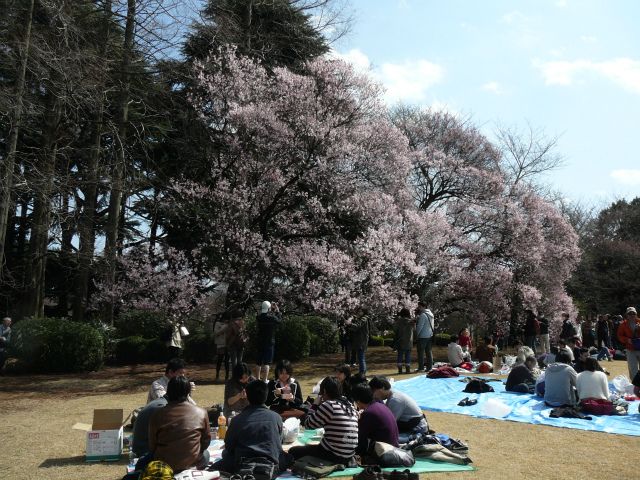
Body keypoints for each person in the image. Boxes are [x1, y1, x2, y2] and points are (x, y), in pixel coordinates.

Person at [214, 379, 292, 476]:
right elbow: (279, 443)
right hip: (271, 465)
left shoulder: (237, 419)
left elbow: (229, 446)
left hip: (243, 464)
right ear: (266, 395)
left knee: (225, 454)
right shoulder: (276, 417)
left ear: (247, 397)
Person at [147, 376, 210, 472]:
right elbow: (206, 441)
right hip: (192, 463)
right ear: (188, 392)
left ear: (169, 391)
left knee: (142, 462)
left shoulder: (157, 415)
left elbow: (152, 445)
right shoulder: (201, 412)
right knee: (206, 454)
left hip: (164, 466)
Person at [289, 376, 358, 464]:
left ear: (324, 391)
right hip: (348, 455)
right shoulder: (348, 404)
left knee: (293, 451)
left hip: (334, 454)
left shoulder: (329, 405)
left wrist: (314, 405)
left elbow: (308, 424)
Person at [351, 383, 399, 459]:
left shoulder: (369, 413)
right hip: (394, 447)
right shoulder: (380, 405)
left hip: (384, 453)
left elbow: (360, 439)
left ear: (357, 401)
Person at [255, 301, 282, 382]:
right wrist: (277, 311)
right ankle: (264, 379)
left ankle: (257, 379)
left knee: (258, 362)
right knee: (267, 362)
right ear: (269, 308)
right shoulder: (272, 318)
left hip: (260, 341)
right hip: (269, 342)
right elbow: (279, 321)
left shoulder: (258, 317)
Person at [617, 306, 640, 380]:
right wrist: (627, 340)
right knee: (633, 369)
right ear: (627, 315)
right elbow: (619, 336)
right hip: (630, 349)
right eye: (630, 314)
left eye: (633, 313)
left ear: (636, 314)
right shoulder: (623, 324)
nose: (632, 315)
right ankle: (635, 387)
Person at [415, 302, 435, 372]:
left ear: (423, 307)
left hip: (422, 336)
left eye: (420, 307)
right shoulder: (431, 314)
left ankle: (421, 367)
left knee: (420, 352)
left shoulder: (423, 315)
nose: (419, 308)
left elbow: (420, 326)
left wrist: (416, 334)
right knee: (428, 352)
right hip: (429, 335)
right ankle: (429, 367)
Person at [393, 308, 414, 374]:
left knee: (400, 355)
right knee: (408, 355)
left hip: (400, 340)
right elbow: (415, 330)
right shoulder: (411, 322)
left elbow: (395, 330)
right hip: (409, 341)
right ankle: (408, 370)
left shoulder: (398, 321)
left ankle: (400, 370)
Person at [351, 309, 371, 375]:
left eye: (360, 311)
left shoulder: (364, 319)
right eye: (358, 311)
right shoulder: (362, 319)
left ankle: (362, 372)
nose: (359, 312)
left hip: (362, 341)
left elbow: (357, 326)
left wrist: (350, 323)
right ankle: (362, 372)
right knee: (360, 357)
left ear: (364, 312)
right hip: (361, 341)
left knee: (361, 357)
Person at [213, 315, 229, 382]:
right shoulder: (217, 324)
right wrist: (224, 328)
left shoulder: (229, 324)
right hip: (220, 344)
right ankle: (217, 376)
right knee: (219, 360)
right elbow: (216, 333)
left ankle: (227, 377)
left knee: (227, 361)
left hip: (228, 344)